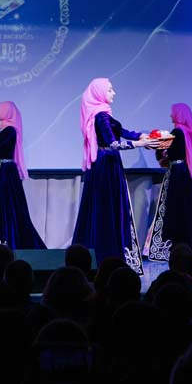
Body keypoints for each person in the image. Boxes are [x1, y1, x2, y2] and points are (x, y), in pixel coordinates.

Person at [71, 77, 161, 275]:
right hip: (106, 166)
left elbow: (121, 131)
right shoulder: (101, 116)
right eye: (110, 90)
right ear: (99, 93)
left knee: (105, 209)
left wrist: (140, 136)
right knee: (108, 209)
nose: (114, 93)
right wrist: (140, 144)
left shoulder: (104, 114)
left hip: (107, 164)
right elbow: (113, 144)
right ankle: (108, 254)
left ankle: (106, 254)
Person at [144, 103, 192, 261]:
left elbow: (166, 152)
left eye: (172, 112)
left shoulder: (177, 132)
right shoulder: (187, 132)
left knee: (174, 210)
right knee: (188, 209)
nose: (170, 115)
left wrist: (157, 143)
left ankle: (175, 246)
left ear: (178, 114)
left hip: (177, 174)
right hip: (184, 172)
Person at [0, 101, 44, 277]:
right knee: (2, 207)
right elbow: (1, 154)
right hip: (2, 170)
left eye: (0, 109)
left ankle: (3, 243)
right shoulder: (5, 129)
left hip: (5, 174)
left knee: (4, 207)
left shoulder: (10, 130)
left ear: (7, 111)